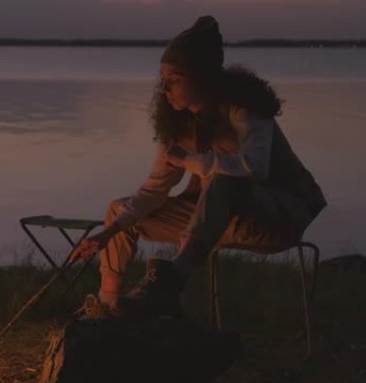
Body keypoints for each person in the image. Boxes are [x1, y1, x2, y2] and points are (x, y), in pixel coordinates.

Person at [70, 15, 326, 319]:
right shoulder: (179, 124)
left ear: (202, 77)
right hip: (213, 222)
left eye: (174, 79)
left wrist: (190, 160)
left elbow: (255, 167)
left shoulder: (244, 107)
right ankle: (107, 308)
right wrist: (107, 233)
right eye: (162, 79)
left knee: (224, 179)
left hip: (275, 218)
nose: (165, 87)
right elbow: (154, 190)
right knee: (119, 212)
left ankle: (169, 283)